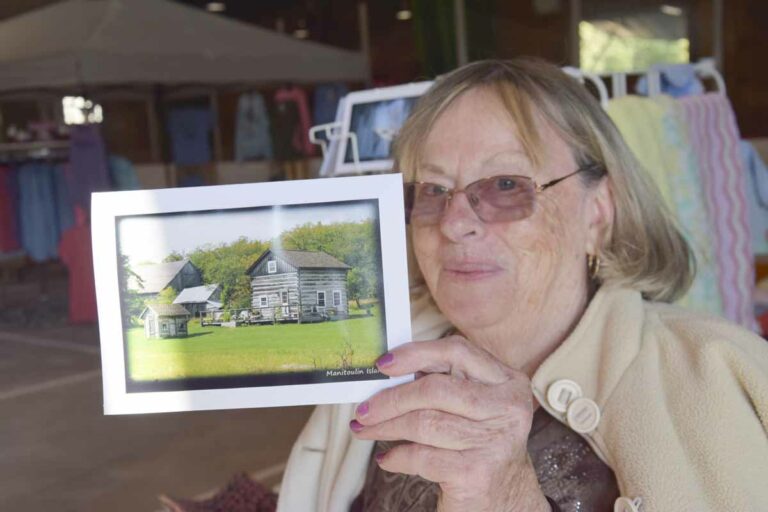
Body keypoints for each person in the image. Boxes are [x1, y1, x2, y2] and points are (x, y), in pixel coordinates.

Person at [276, 59, 768, 512]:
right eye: (432, 190)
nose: (454, 223)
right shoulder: (372, 355)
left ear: (598, 214)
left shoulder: (723, 378)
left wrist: (512, 497)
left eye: (506, 185)